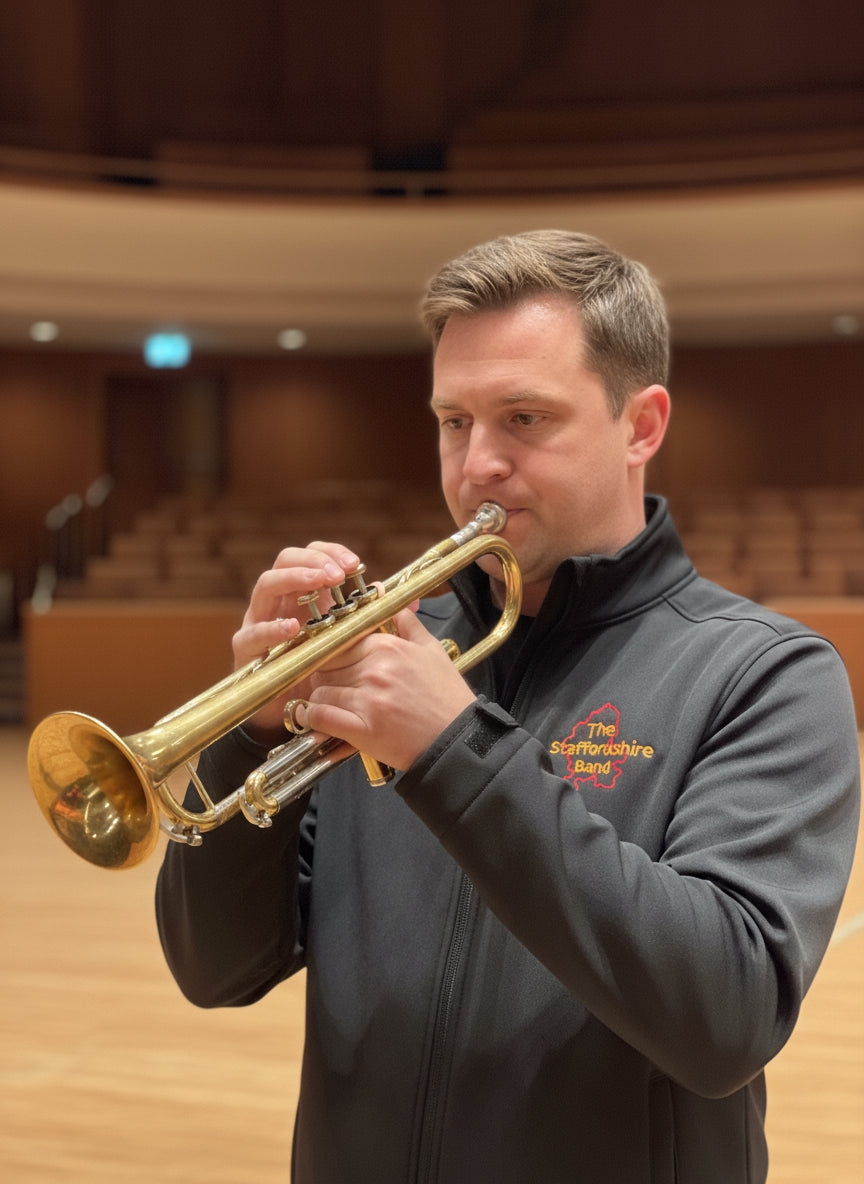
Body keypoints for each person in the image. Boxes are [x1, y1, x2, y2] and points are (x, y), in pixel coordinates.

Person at [156, 230, 860, 1183]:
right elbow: (216, 969)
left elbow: (726, 1018)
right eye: (454, 421)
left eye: (524, 418)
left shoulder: (766, 676)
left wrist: (455, 750)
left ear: (641, 426)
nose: (477, 463)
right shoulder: (386, 653)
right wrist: (250, 737)